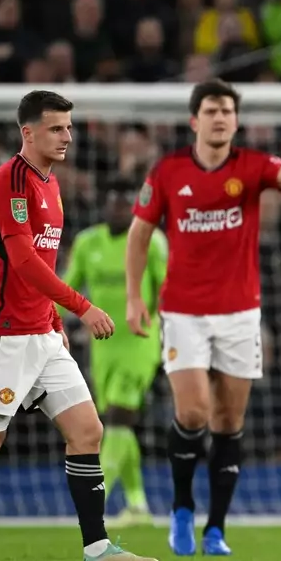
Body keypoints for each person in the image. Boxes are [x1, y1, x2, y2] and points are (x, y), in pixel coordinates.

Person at [0, 91, 158, 561]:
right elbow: (21, 261)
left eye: (70, 128)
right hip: (4, 335)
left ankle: (97, 549)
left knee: (88, 431)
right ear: (28, 132)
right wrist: (81, 307)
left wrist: (56, 322)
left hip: (43, 333)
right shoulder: (9, 181)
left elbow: (46, 261)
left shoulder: (50, 185)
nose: (67, 137)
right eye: (57, 128)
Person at [125, 80, 281, 557]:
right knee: (192, 411)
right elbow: (138, 233)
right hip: (183, 311)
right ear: (195, 120)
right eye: (212, 110)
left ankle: (215, 528)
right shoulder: (169, 171)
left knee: (228, 421)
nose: (220, 118)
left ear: (236, 121)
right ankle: (179, 508)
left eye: (228, 112)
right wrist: (135, 298)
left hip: (239, 314)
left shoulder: (252, 166)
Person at [62, 178, 168, 525]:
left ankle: (96, 495)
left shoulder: (152, 241)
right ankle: (137, 504)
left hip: (140, 342)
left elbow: (167, 291)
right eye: (114, 203)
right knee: (118, 424)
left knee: (122, 416)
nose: (119, 210)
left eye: (126, 204)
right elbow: (67, 289)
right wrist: (46, 320)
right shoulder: (87, 242)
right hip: (103, 347)